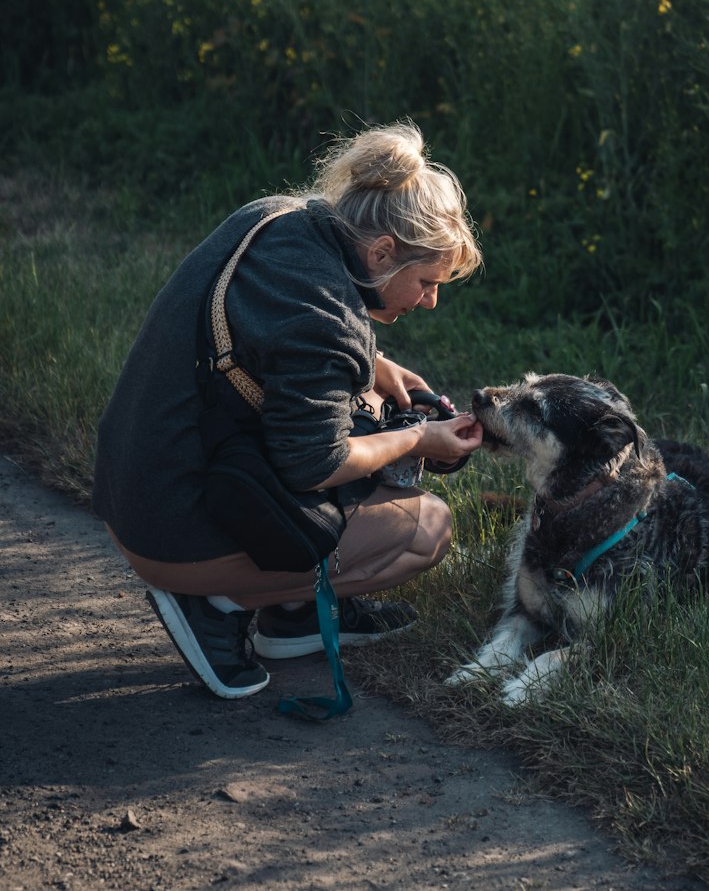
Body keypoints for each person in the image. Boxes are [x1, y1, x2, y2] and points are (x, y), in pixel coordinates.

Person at [93, 121, 484, 699]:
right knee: (425, 530)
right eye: (427, 282)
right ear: (382, 252)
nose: (431, 300)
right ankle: (218, 606)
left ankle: (295, 618)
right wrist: (420, 439)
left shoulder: (282, 216)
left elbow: (276, 327)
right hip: (169, 531)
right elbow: (313, 464)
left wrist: (376, 365)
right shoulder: (325, 321)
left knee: (373, 400)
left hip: (133, 482)